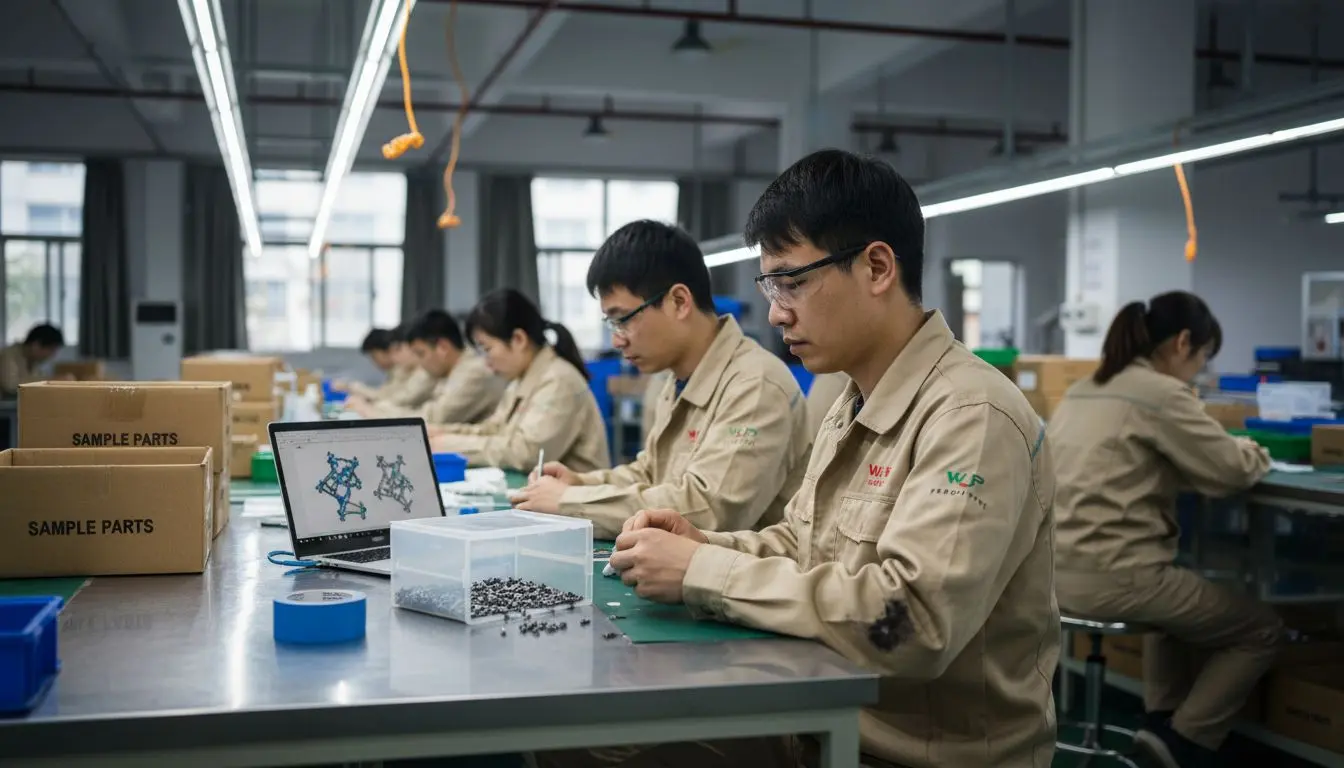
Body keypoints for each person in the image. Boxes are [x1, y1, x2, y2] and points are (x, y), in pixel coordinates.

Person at [589, 150, 1059, 768]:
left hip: (909, 751)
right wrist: (705, 544)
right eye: (770, 285)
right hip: (819, 714)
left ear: (877, 266)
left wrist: (703, 571)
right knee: (587, 739)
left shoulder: (970, 415)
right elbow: (802, 539)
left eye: (792, 281)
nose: (777, 311)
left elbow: (911, 623)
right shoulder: (847, 396)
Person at [1048, 293, 1279, 768]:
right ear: (1182, 343)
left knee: (1174, 602)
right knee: (1262, 630)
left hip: (1053, 575)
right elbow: (1231, 469)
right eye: (1202, 359)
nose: (1198, 371)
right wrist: (1257, 451)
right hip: (1115, 578)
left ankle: (1157, 725)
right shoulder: (1160, 393)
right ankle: (1184, 739)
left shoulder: (1086, 387)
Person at [510, 220, 811, 541]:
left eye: (622, 320)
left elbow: (710, 509)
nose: (617, 341)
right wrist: (581, 483)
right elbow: (650, 472)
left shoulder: (755, 385)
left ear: (679, 302)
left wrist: (570, 502)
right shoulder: (677, 379)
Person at [430, 289, 610, 473]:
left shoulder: (558, 380)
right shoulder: (521, 379)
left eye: (487, 349)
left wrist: (448, 444)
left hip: (574, 496)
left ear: (518, 339)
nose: (486, 361)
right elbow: (494, 429)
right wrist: (441, 433)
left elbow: (526, 453)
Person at [378, 309, 506, 426]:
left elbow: (433, 419)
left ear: (443, 347)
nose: (420, 363)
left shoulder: (474, 373)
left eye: (421, 354)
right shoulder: (449, 370)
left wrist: (378, 412)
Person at [344, 325, 439, 415]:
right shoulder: (405, 371)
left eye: (398, 350)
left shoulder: (426, 373)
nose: (393, 357)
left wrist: (367, 406)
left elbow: (396, 401)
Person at [0, 323, 67, 396]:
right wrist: (50, 381)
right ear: (36, 345)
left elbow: (37, 379)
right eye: (51, 349)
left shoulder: (34, 361)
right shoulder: (9, 355)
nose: (52, 355)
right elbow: (10, 386)